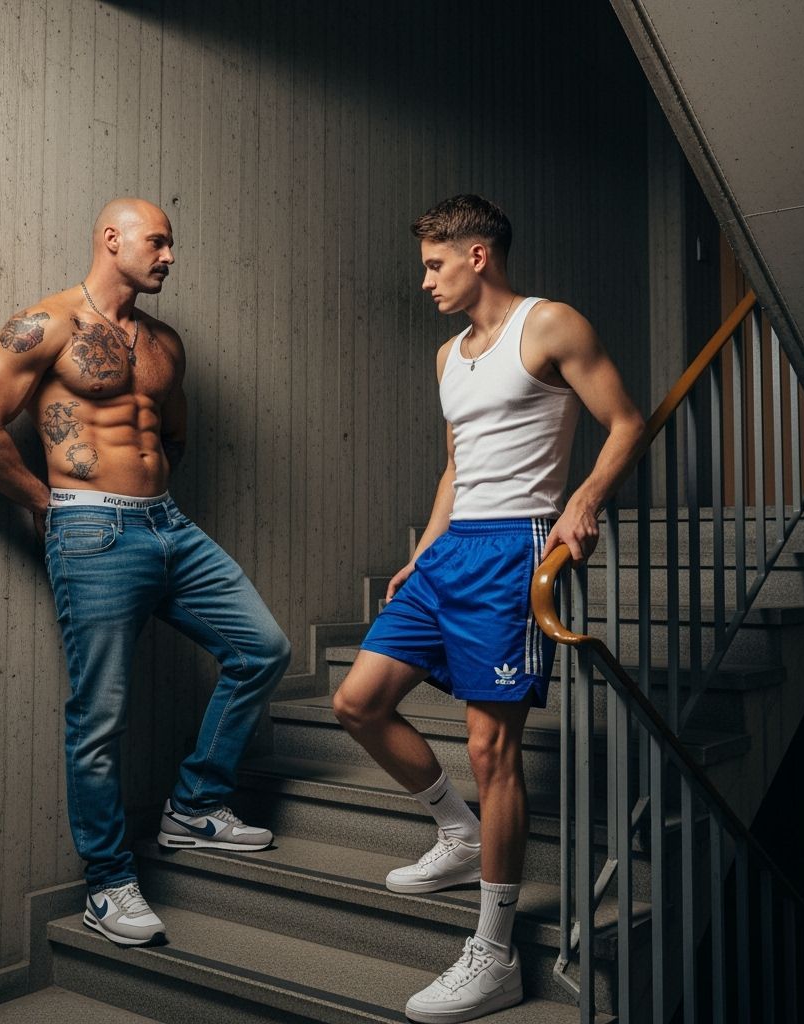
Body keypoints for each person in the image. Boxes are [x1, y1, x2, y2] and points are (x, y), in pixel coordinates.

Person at [332, 195, 644, 1022]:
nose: (425, 279)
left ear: (478, 256)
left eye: (435, 263)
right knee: (357, 701)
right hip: (455, 549)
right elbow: (455, 465)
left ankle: (494, 954)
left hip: (517, 548)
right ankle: (456, 832)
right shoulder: (446, 356)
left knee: (489, 746)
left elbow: (624, 421)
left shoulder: (550, 326)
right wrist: (424, 552)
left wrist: (583, 502)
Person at [0, 197, 290, 948]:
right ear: (112, 239)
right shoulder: (46, 324)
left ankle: (196, 803)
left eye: (172, 245)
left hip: (168, 526)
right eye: (157, 243)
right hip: (90, 530)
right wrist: (48, 503)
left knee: (264, 649)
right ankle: (108, 884)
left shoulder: (166, 344)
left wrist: (150, 495)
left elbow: (173, 435)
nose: (169, 257)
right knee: (100, 716)